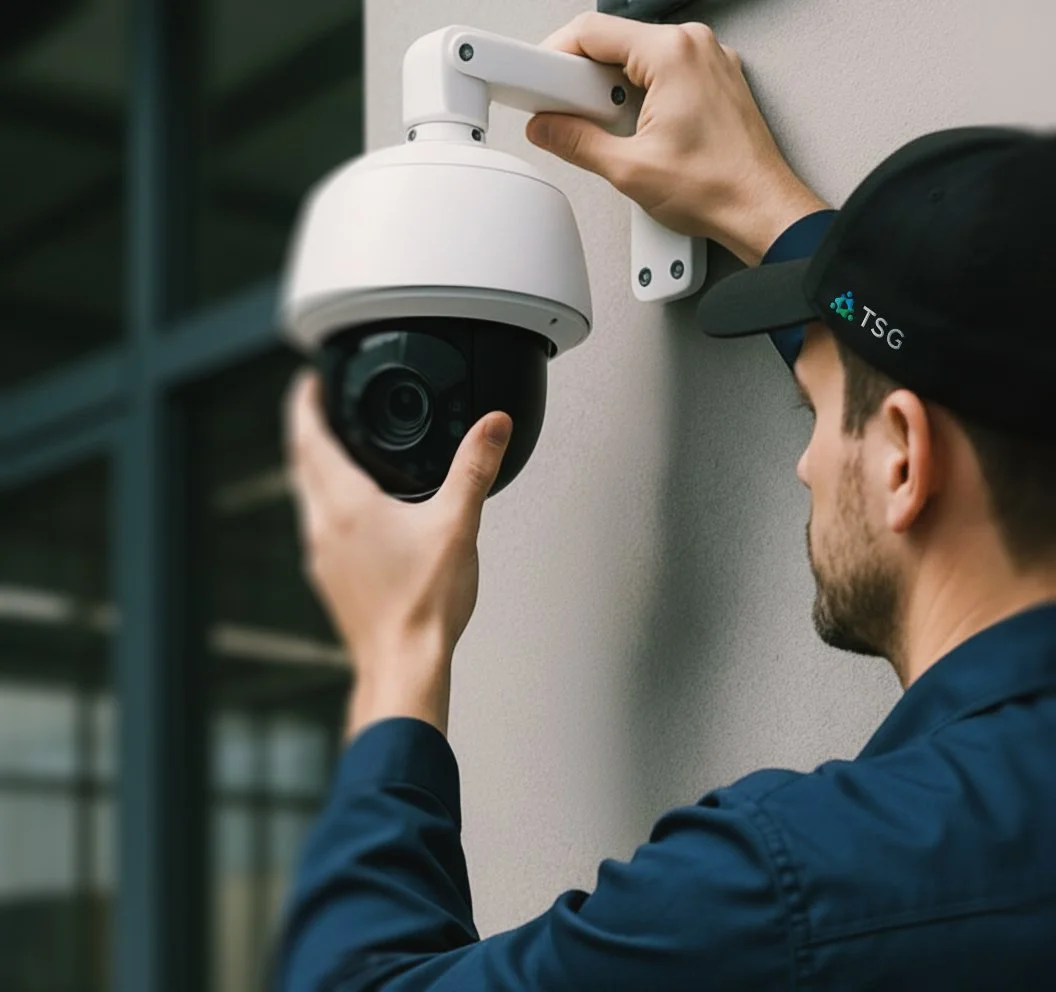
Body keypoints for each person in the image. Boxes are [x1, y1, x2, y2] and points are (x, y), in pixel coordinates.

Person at [274, 11, 1056, 990]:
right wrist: (765, 205)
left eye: (817, 414)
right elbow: (928, 360)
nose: (807, 463)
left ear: (903, 456)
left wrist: (401, 652)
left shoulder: (788, 890)